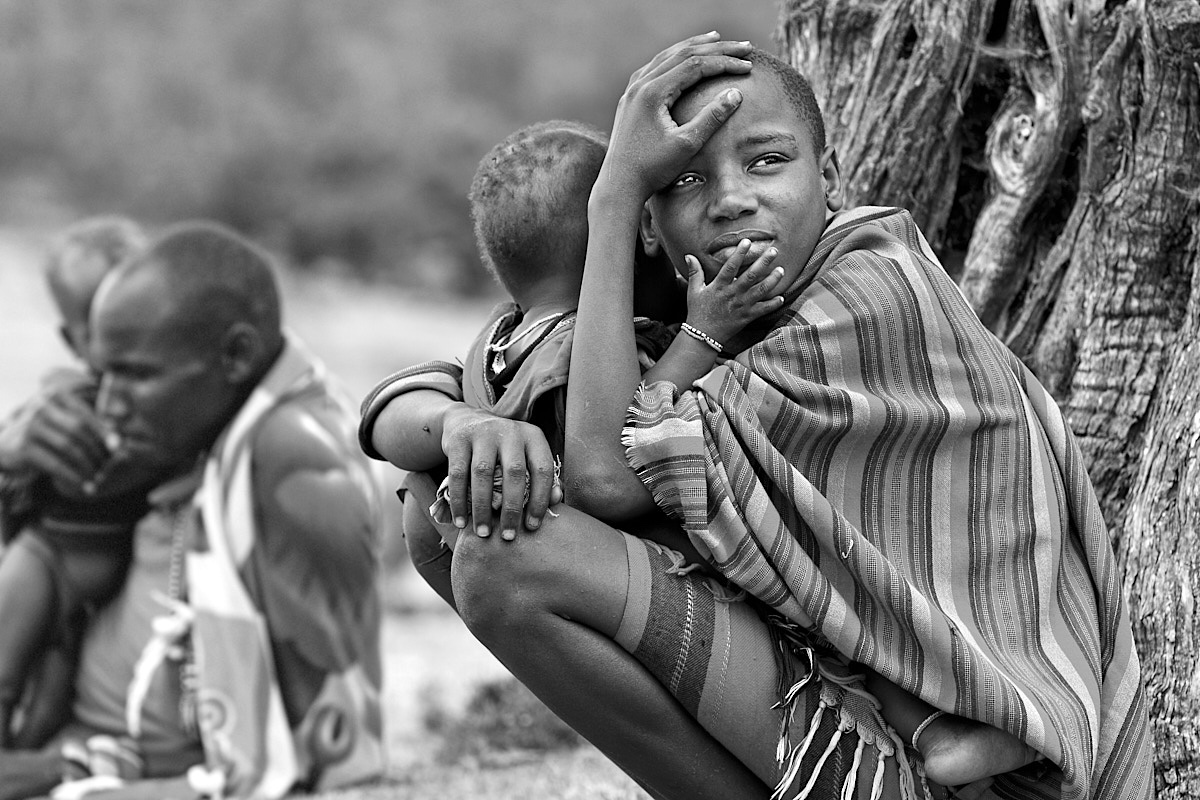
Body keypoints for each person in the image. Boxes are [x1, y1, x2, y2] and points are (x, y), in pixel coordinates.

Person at [368, 34, 1153, 800]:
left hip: (991, 755)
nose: (732, 199)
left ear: (829, 176)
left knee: (505, 557)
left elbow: (605, 479)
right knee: (440, 505)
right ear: (650, 231)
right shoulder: (681, 315)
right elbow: (417, 404)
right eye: (683, 181)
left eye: (767, 161)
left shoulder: (873, 291)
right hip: (842, 705)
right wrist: (462, 426)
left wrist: (614, 198)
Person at [0, 222, 385, 800]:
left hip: (120, 764)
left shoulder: (291, 461)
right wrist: (11, 453)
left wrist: (71, 783)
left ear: (236, 356)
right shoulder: (192, 426)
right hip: (75, 737)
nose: (109, 404)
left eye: (135, 376)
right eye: (101, 374)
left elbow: (317, 762)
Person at [0, 216, 153, 751]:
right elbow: (12, 475)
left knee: (54, 709)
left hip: (121, 570)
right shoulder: (59, 403)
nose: (120, 339)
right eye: (99, 326)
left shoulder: (173, 400)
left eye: (136, 317)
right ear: (72, 340)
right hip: (51, 557)